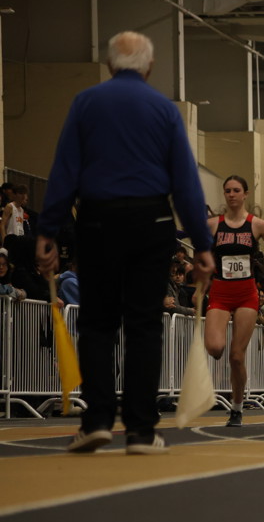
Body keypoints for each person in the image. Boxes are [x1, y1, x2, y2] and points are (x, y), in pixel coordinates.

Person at [35, 31, 214, 454]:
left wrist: (48, 230)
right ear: (149, 67)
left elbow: (65, 170)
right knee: (144, 325)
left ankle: (96, 421)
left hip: (97, 220)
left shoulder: (85, 103)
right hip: (152, 221)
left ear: (111, 64)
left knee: (97, 322)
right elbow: (185, 182)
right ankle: (140, 430)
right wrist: (202, 243)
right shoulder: (164, 110)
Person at [203, 175, 264, 427]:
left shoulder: (257, 225)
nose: (231, 194)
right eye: (227, 190)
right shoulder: (213, 225)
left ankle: (237, 408)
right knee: (215, 348)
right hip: (220, 292)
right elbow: (201, 253)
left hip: (246, 294)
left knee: (237, 356)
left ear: (245, 194)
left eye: (236, 190)